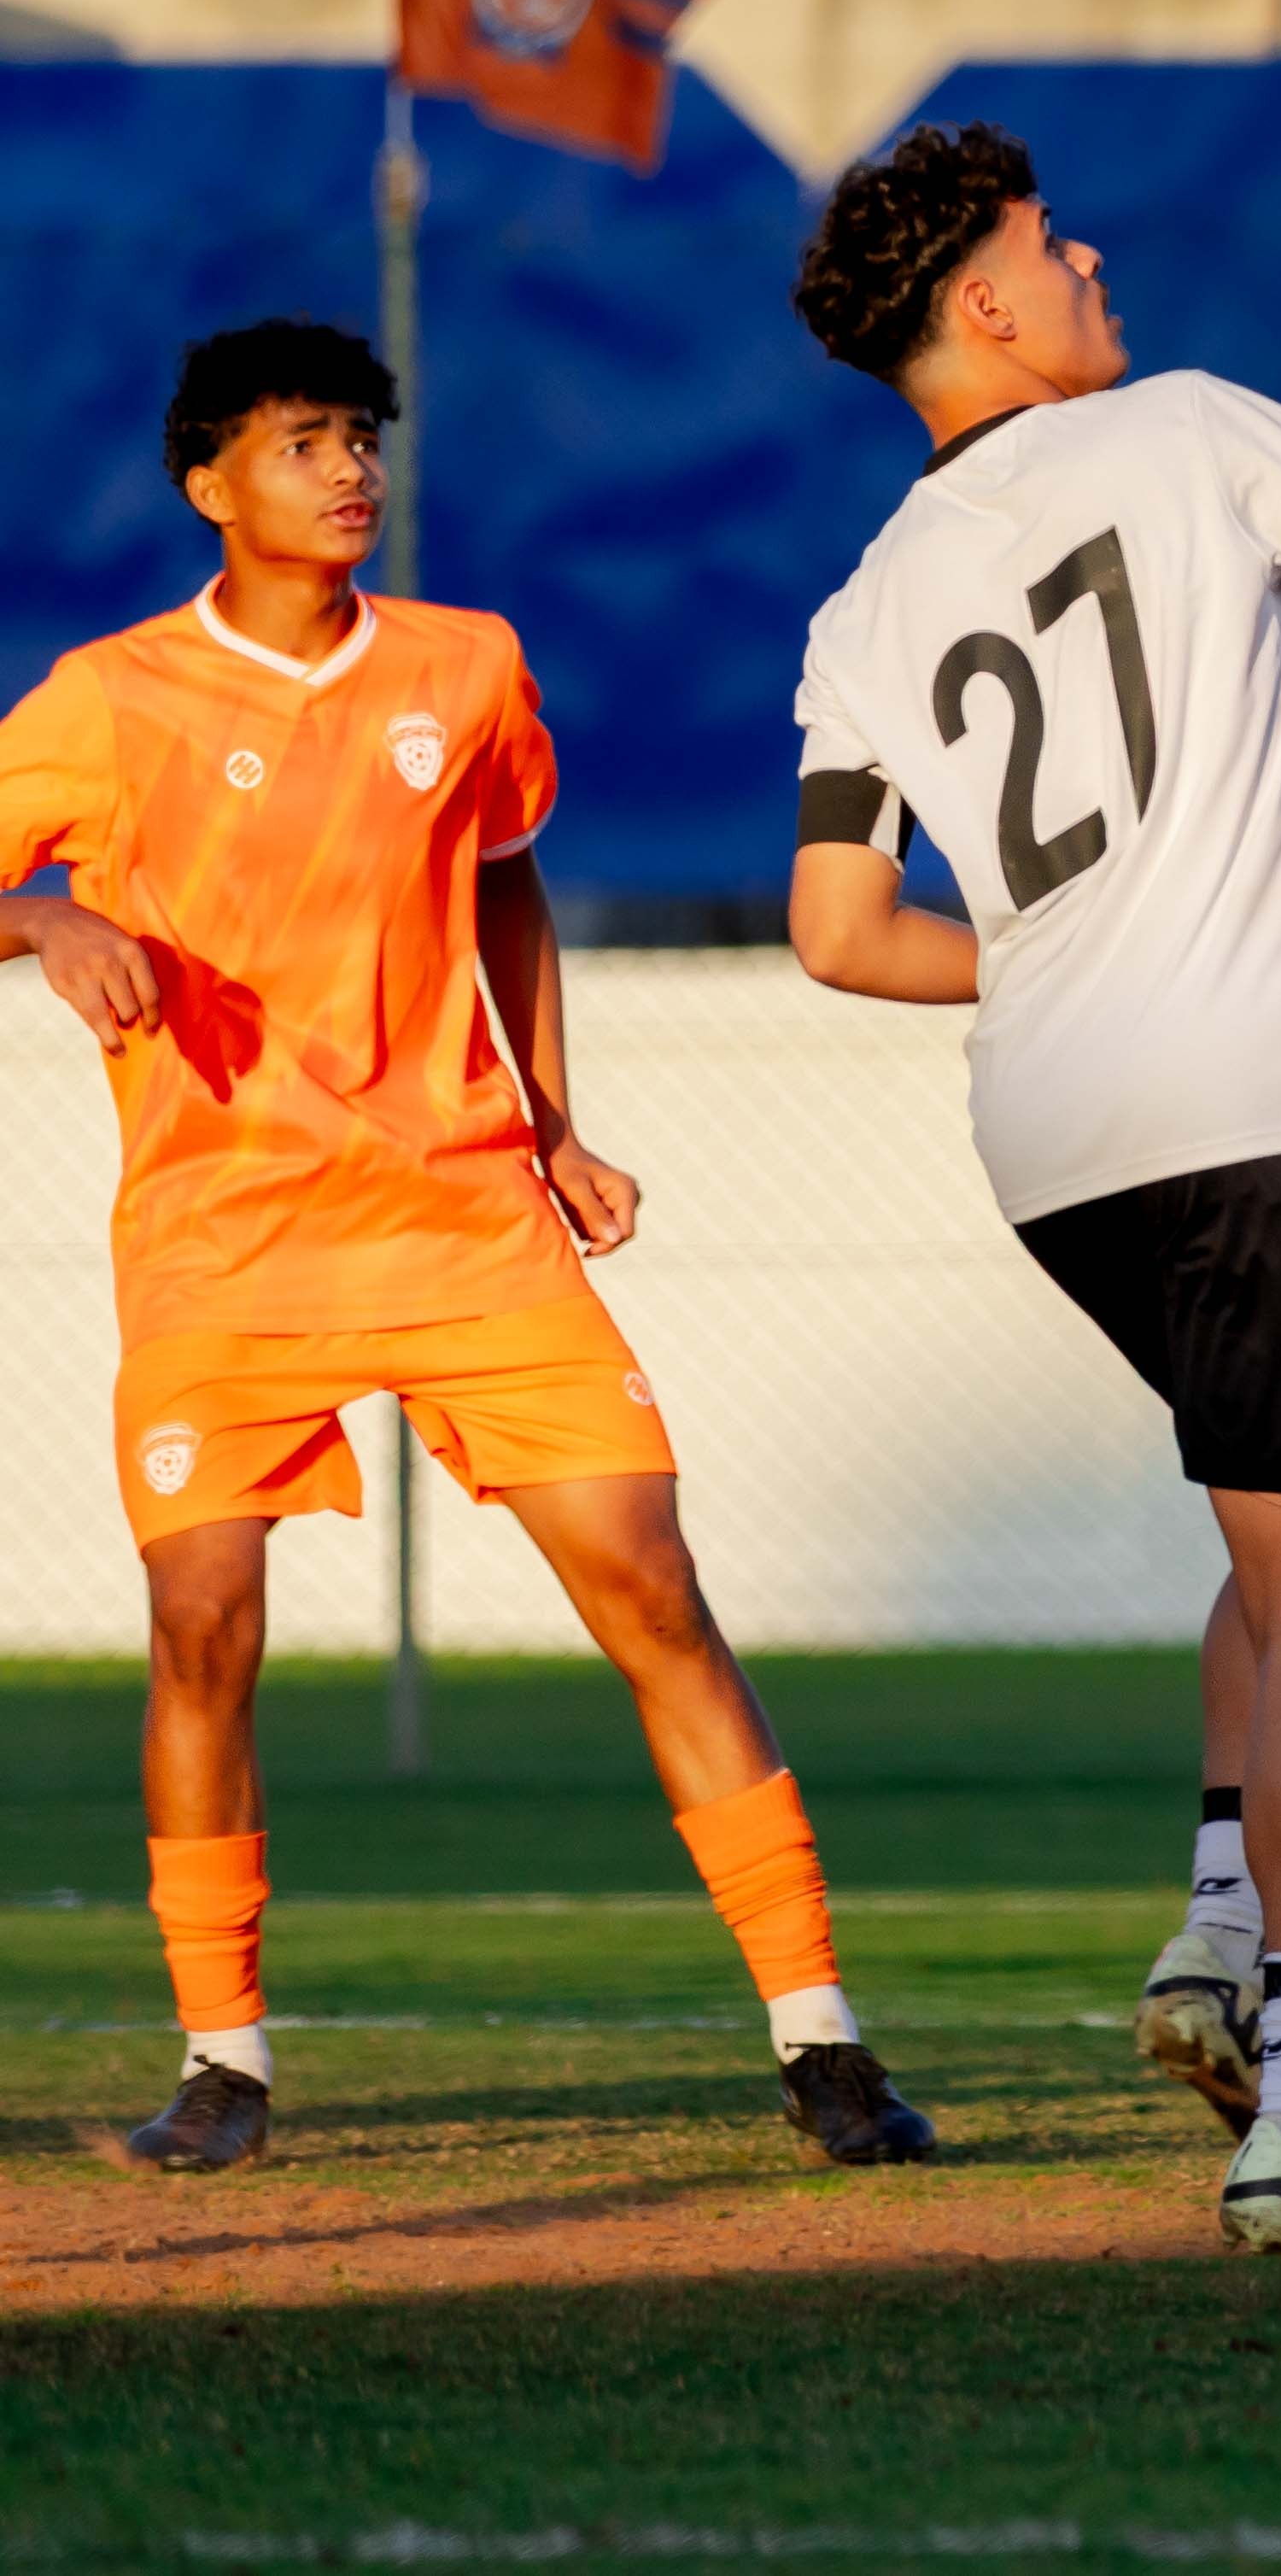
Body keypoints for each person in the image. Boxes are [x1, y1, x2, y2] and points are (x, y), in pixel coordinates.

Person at [0, 317, 929, 2177]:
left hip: (462, 1213)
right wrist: (41, 915)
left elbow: (501, 871)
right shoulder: (109, 700)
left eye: (360, 437)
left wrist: (557, 1119)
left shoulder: (468, 664)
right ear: (209, 483)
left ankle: (823, 2042)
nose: (347, 469)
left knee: (649, 1582)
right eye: (300, 444)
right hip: (223, 1238)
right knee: (204, 1626)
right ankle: (223, 2062)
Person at [781, 129, 1281, 2256]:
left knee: (1271, 1526)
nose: (1088, 250)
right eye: (1045, 240)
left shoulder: (865, 602)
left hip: (1052, 1136)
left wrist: (1035, 957)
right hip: (1261, 1092)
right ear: (989, 313)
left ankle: (1219, 1919)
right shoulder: (1185, 427)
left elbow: (839, 928)